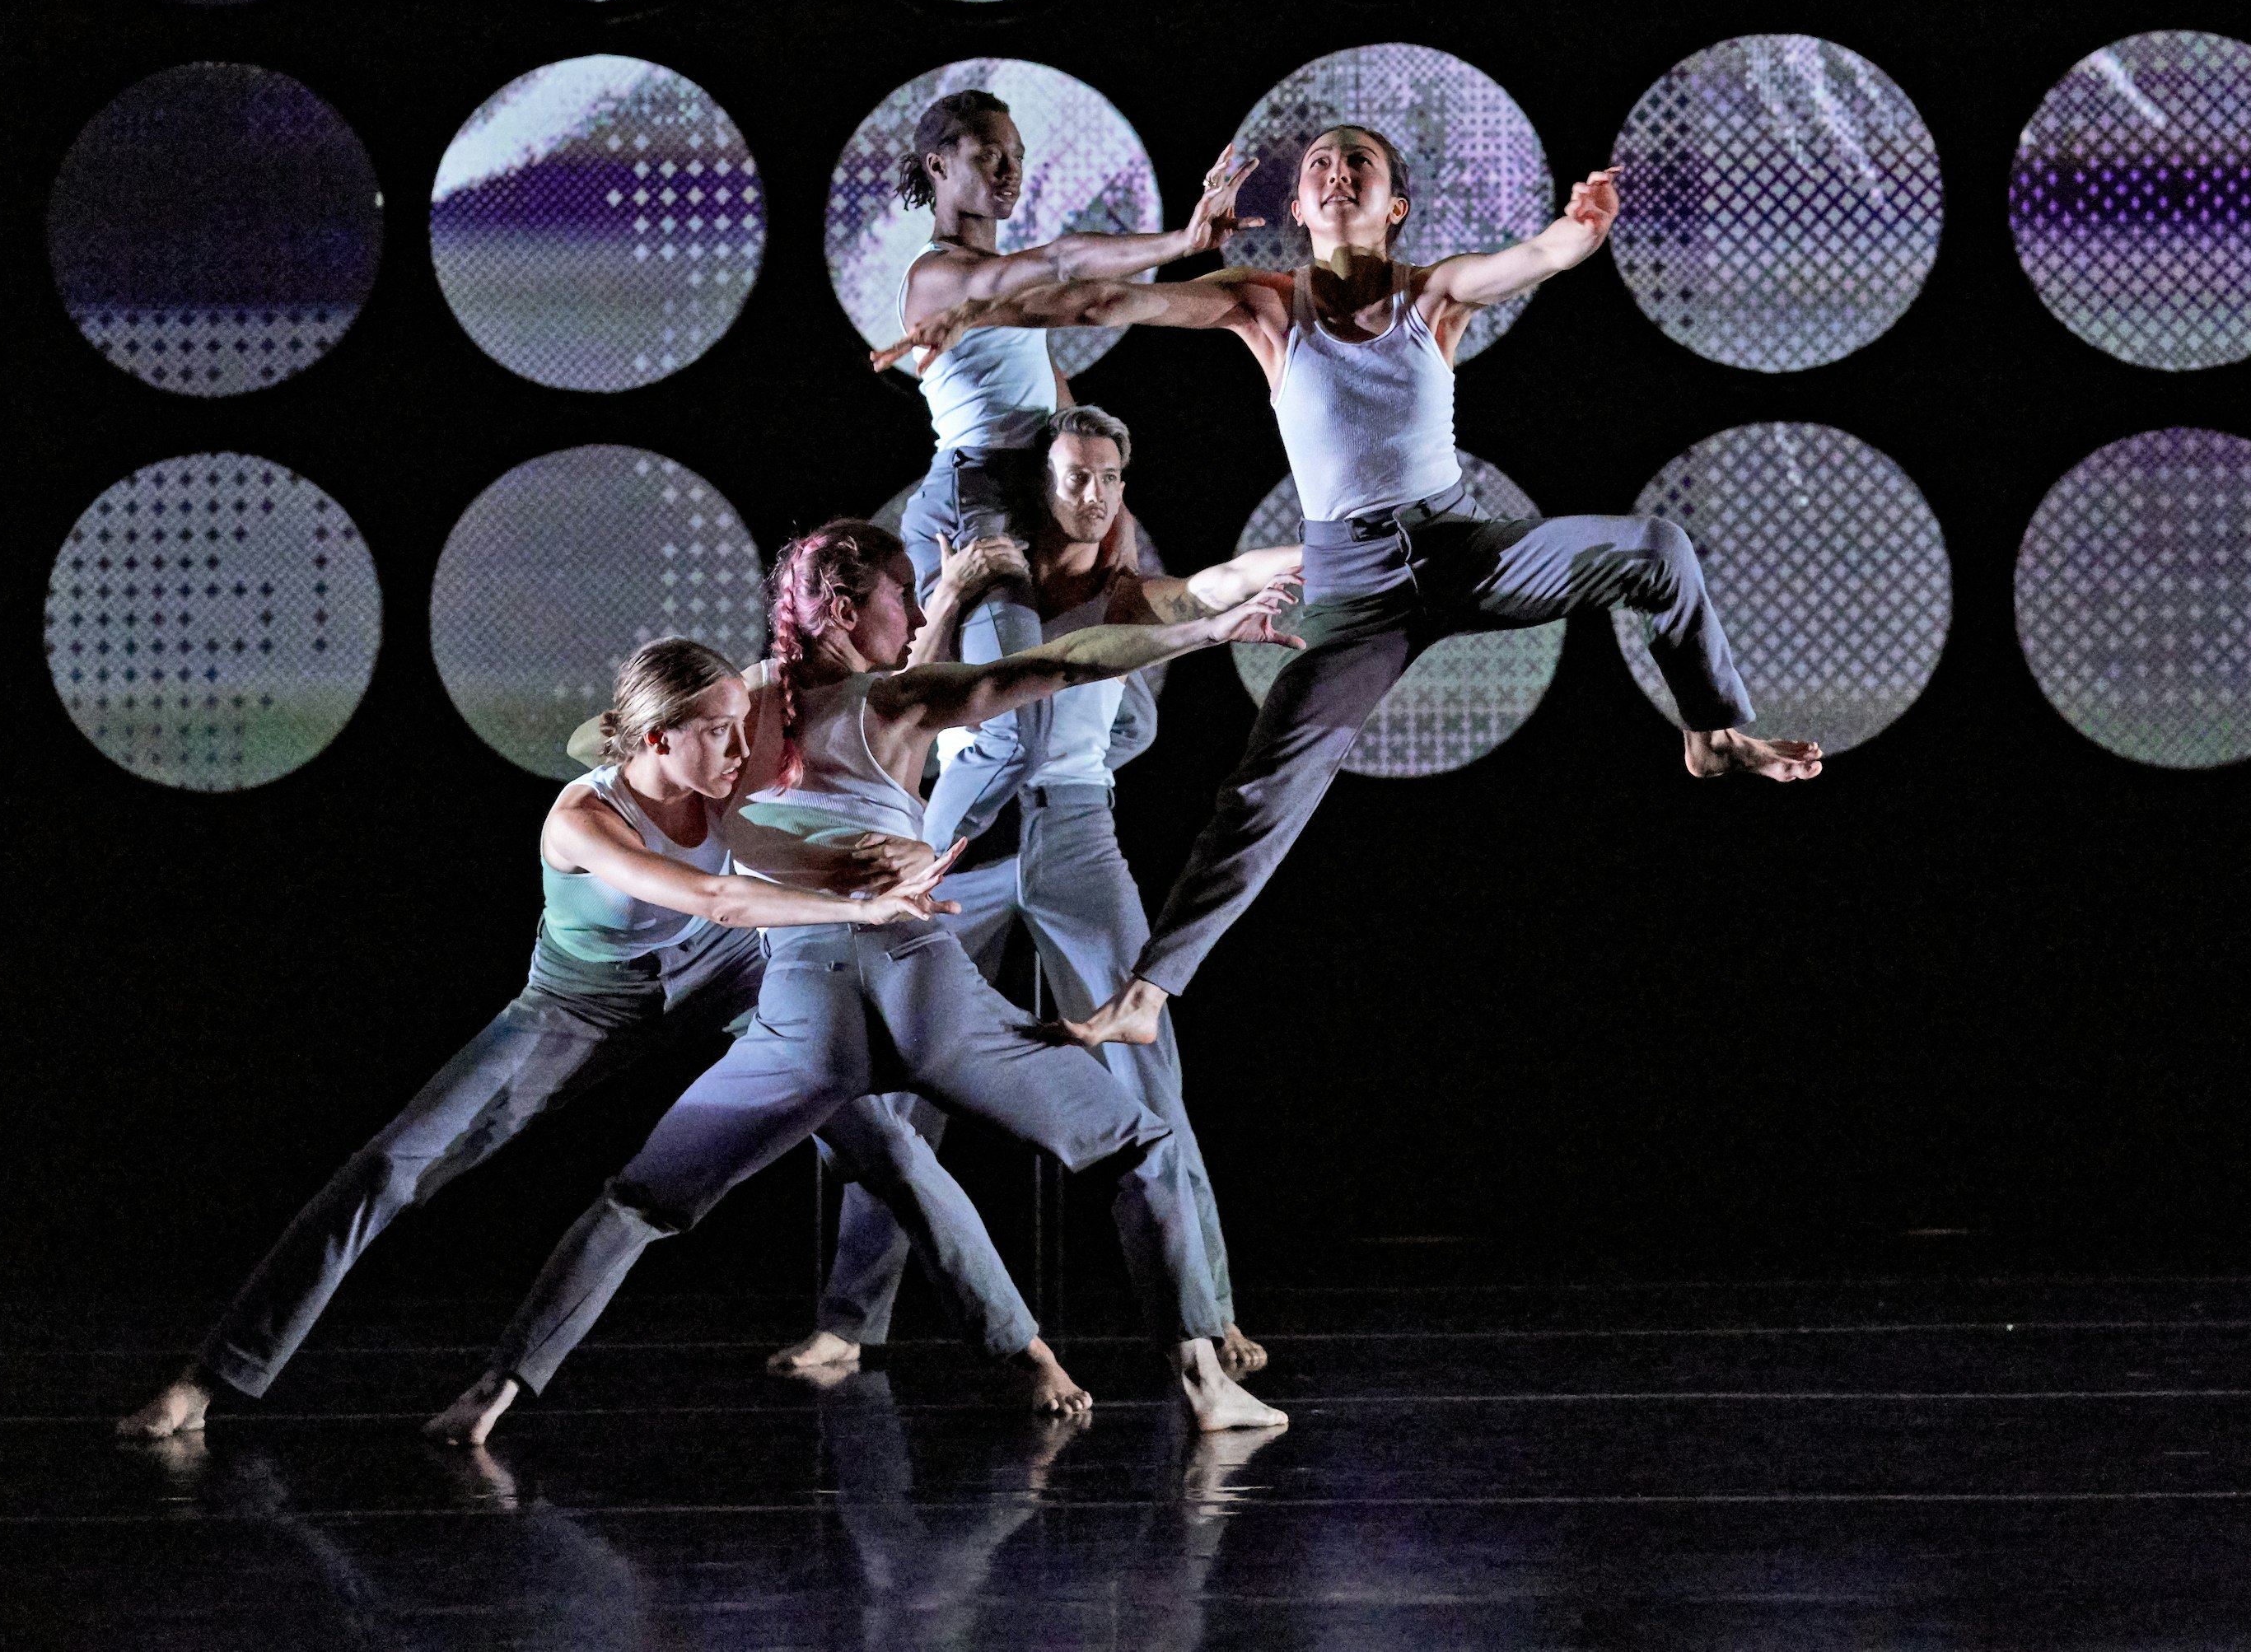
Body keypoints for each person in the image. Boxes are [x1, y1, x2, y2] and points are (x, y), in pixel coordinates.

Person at [877, 128, 1825, 1052]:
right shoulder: (1266, 305)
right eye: (1319, 166)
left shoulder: (1432, 293)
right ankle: (1145, 992)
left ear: (1393, 205)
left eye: (1358, 164)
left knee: (1654, 547)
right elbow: (1104, 304)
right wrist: (978, 314)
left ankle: (1710, 733)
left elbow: (1535, 256)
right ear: (1296, 208)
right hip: (1353, 585)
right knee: (1263, 793)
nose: (1335, 174)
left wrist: (1582, 228)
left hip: (1462, 549)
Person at [423, 520, 1297, 1444]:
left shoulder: (727, 715)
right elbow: (1067, 662)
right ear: (845, 610)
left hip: (801, 1011)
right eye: (903, 596)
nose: (918, 613)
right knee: (1139, 1148)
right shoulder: (900, 699)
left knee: (636, 1203)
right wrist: (1204, 631)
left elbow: (597, 741)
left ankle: (496, 1393)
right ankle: (1206, 1385)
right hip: (921, 989)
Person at [114, 636, 961, 1441]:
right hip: (580, 1004)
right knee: (392, 1166)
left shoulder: (722, 779)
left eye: (742, 727)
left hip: (721, 973)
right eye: (717, 732)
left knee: (882, 1136)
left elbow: (820, 808)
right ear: (658, 739)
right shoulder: (581, 819)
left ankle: (1021, 1352)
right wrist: (858, 909)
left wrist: (888, 861)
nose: (742, 748)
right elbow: (719, 899)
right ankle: (207, 1379)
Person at [777, 405, 1289, 1386]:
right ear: (1039, 486)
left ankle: (1206, 1311)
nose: (1091, 495)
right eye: (1072, 476)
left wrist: (1296, 560)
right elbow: (902, 699)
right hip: (957, 843)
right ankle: (848, 1323)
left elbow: (1210, 593)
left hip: (1072, 834)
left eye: (1107, 477)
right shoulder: (975, 585)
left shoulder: (1126, 593)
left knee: (1143, 1061)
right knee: (900, 1074)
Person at [890, 88, 1256, 850]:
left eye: (1018, 157)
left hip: (1040, 496)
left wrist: (1114, 516)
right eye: (990, 154)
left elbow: (1065, 411)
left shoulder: (1007, 285)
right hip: (978, 500)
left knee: (1128, 721)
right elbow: (1072, 277)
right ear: (939, 163)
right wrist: (1184, 240)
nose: (1009, 170)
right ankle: (899, 879)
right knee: (1012, 739)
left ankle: (1019, 866)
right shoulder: (940, 279)